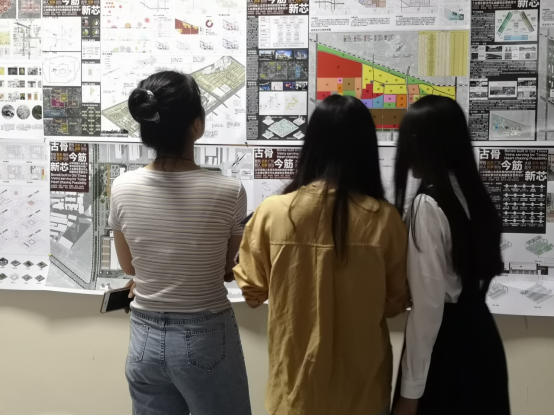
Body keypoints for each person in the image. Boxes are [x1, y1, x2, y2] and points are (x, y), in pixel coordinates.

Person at [234, 95, 410, 415]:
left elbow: (253, 292)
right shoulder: (386, 219)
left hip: (295, 387)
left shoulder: (272, 212)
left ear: (312, 144)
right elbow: (395, 303)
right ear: (366, 150)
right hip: (363, 388)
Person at [110, 71, 251, 416]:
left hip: (143, 336)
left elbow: (129, 266)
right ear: (197, 125)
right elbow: (227, 271)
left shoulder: (122, 187)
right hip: (206, 335)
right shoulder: (229, 191)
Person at [393, 96, 510, 415]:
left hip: (447, 351)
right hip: (483, 341)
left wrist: (410, 393)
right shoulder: (475, 195)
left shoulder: (427, 205)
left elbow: (427, 310)